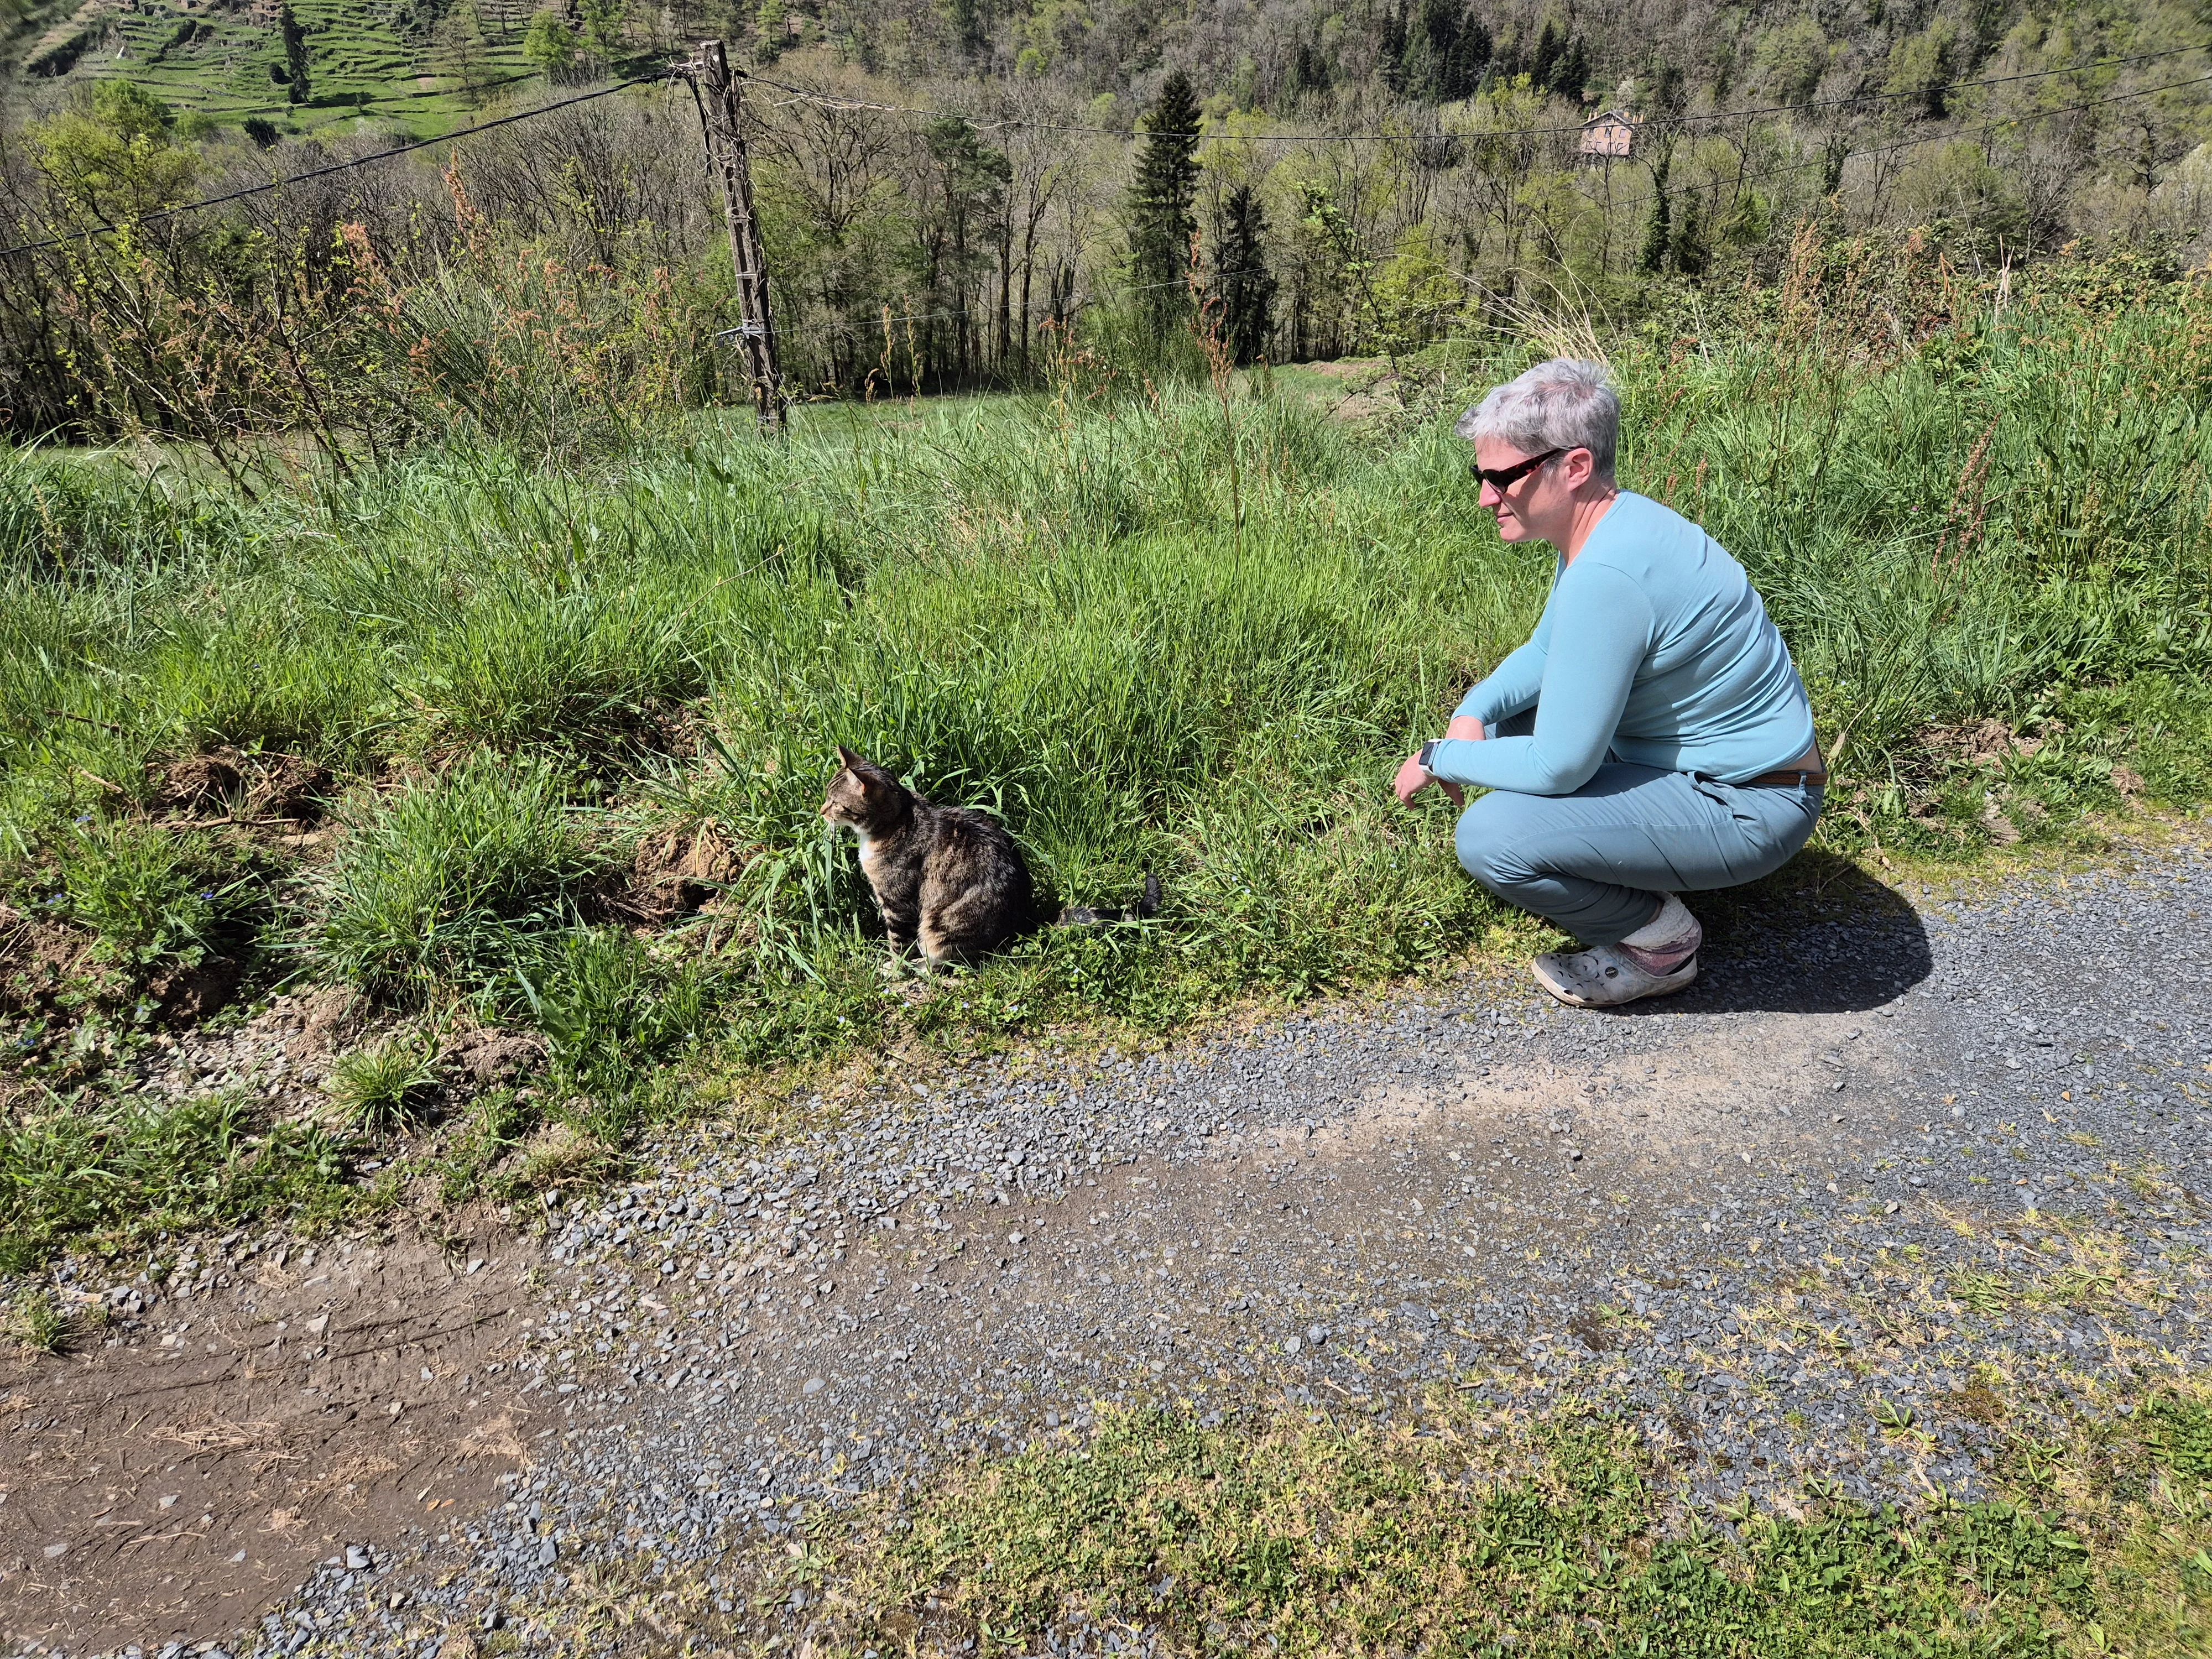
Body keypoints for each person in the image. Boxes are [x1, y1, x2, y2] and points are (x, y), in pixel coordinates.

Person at [1394, 358, 1824, 1008]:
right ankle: (1637, 863)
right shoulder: (1615, 525)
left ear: (1574, 466)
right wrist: (1472, 711)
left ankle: (1659, 942)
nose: (1485, 496)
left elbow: (1559, 767)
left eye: (1502, 477)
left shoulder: (1608, 573)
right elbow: (1546, 652)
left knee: (1490, 838)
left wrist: (1439, 756)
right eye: (1480, 476)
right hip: (1729, 774)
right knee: (1506, 722)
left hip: (1750, 804)